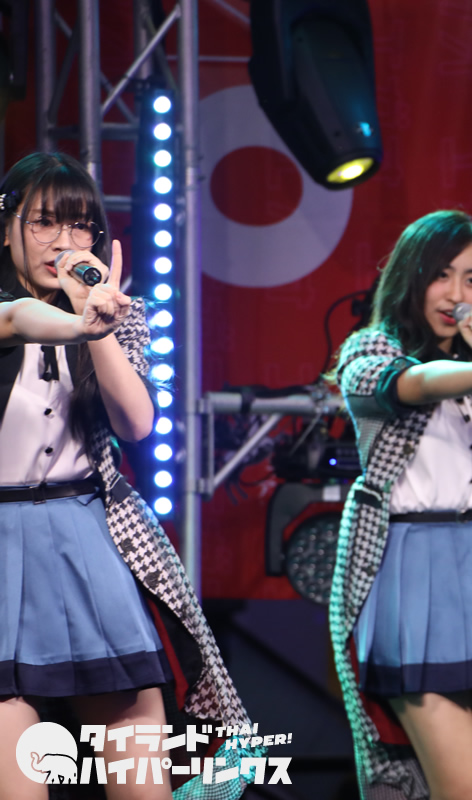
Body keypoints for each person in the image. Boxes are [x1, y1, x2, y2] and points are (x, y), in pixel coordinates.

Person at [0, 151, 260, 799]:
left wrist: (98, 327)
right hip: (3, 543)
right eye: (43, 223)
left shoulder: (119, 316)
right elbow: (18, 318)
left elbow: (137, 423)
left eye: (80, 225)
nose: (64, 241)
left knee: (140, 772)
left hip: (90, 538)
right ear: (6, 229)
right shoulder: (13, 311)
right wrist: (75, 322)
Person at [329, 209, 472, 799]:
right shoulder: (373, 347)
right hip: (413, 568)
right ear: (412, 278)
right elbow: (412, 385)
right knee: (461, 785)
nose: (456, 295)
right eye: (441, 276)